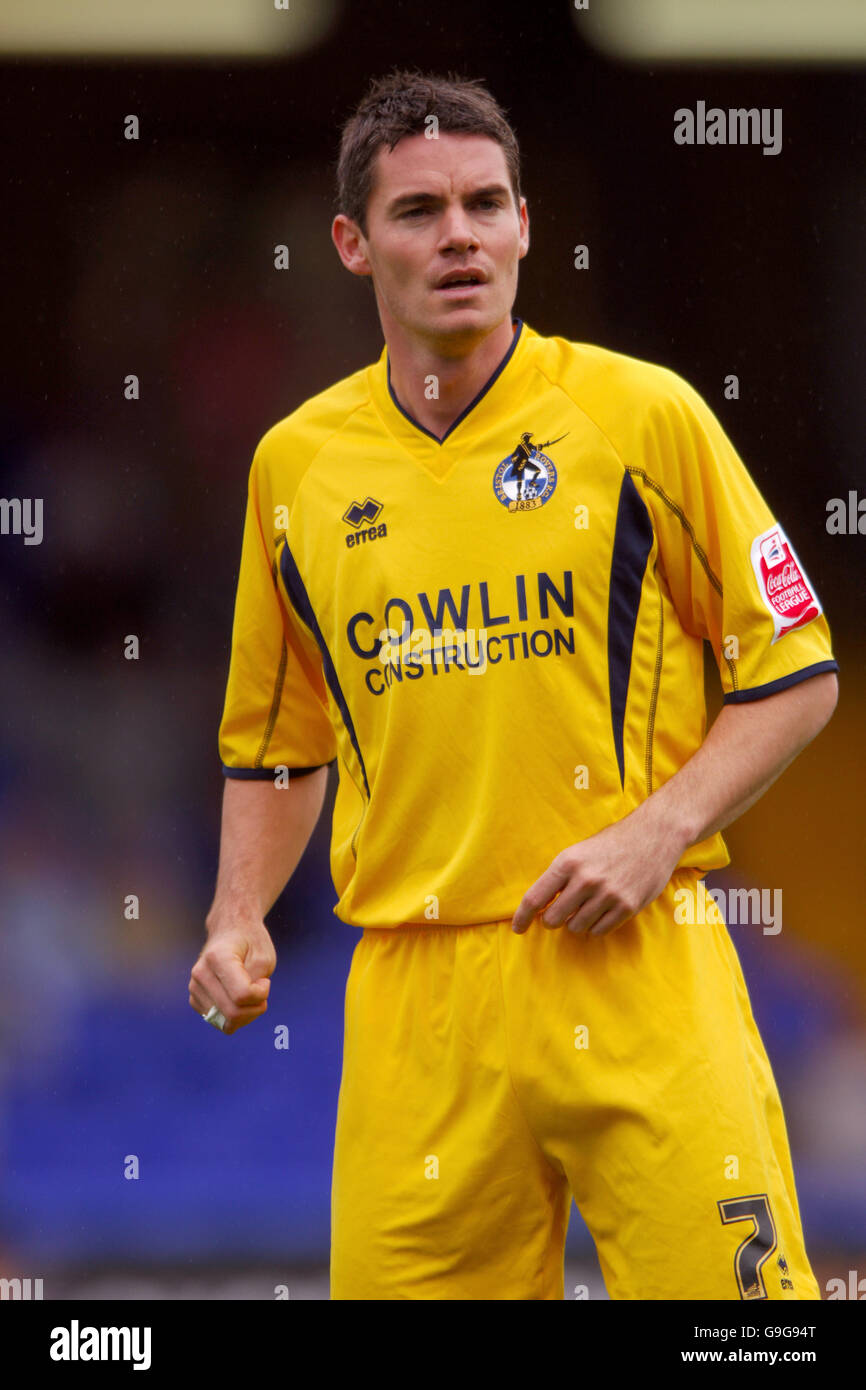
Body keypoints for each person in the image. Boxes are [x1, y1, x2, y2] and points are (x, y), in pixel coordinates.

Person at [188, 69, 839, 1301]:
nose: (459, 238)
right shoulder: (296, 468)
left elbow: (795, 672)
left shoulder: (644, 418)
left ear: (526, 225)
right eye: (419, 212)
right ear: (350, 241)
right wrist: (235, 915)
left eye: (486, 205)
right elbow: (278, 742)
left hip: (640, 961)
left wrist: (656, 834)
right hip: (415, 1000)